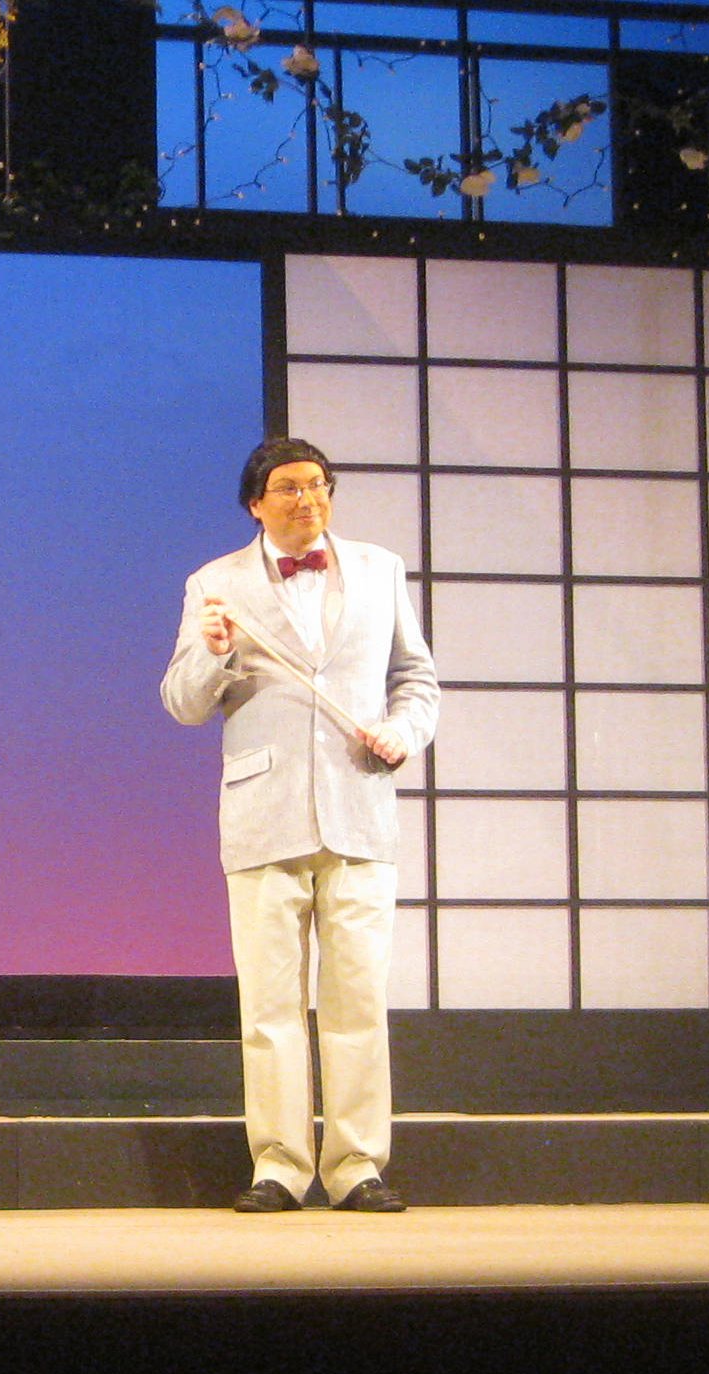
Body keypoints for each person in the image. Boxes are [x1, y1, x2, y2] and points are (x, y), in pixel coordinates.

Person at [160, 436, 439, 1213]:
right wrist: (214, 654)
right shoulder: (215, 584)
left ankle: (356, 1167)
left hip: (359, 811)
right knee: (270, 1007)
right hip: (263, 816)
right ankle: (279, 1166)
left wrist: (403, 731)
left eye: (318, 484)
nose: (308, 498)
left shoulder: (380, 570)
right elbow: (182, 703)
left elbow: (416, 679)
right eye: (288, 487)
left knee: (358, 1002)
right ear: (255, 502)